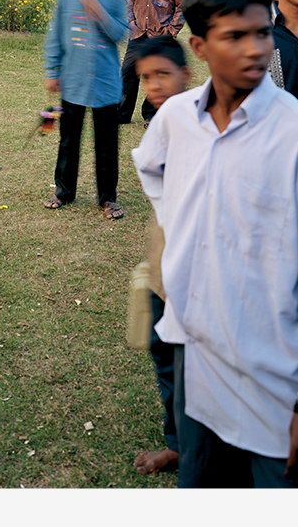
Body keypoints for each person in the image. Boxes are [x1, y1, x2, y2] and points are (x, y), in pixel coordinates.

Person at [135, 0, 298, 488]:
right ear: (199, 47)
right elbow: (151, 167)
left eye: (262, 33)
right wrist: (188, 236)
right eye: (235, 37)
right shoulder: (176, 118)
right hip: (200, 361)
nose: (255, 49)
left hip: (278, 379)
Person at [127, 34, 190, 476]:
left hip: (191, 269)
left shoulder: (198, 122)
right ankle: (177, 442)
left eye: (162, 75)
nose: (153, 85)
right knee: (163, 354)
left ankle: (193, 446)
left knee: (189, 364)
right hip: (161, 264)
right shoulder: (164, 122)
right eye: (145, 78)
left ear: (186, 75)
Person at [42, 0, 128, 219]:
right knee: (69, 139)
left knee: (106, 143)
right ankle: (64, 191)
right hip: (74, 79)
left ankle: (108, 198)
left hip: (105, 82)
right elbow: (55, 36)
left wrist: (98, 11)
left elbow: (120, 34)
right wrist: (52, 71)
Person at [120, 0, 185, 124]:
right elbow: (130, 2)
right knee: (127, 72)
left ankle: (151, 115)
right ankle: (122, 115)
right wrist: (131, 23)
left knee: (157, 75)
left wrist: (170, 32)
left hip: (160, 37)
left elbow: (182, 8)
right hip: (137, 34)